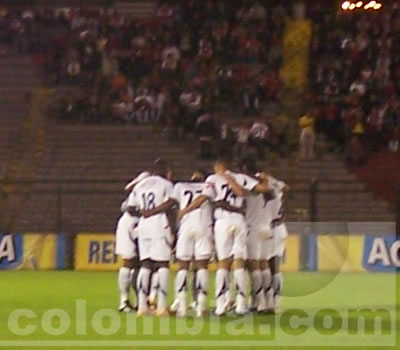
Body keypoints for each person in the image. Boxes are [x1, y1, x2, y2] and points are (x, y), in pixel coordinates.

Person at [178, 158, 270, 315]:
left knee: (223, 263)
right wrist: (265, 178)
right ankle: (241, 304)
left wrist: (186, 210)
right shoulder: (241, 177)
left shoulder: (213, 179)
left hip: (222, 221)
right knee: (239, 262)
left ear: (217, 167)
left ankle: (221, 304)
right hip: (239, 220)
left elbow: (203, 198)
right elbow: (261, 189)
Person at [128, 159, 175, 316]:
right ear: (165, 171)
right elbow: (171, 202)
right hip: (159, 223)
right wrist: (154, 211)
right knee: (162, 264)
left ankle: (142, 306)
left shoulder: (141, 184)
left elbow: (130, 207)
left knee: (145, 264)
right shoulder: (166, 184)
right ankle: (161, 307)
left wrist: (143, 212)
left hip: (143, 225)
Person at [169, 169, 213, 317]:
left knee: (182, 266)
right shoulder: (209, 186)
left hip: (185, 226)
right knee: (202, 267)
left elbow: (172, 204)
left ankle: (181, 306)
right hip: (203, 226)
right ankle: (201, 306)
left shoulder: (180, 186)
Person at [115, 171, 150, 312]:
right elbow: (130, 208)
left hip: (137, 224)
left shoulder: (140, 190)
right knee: (129, 262)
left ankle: (139, 301)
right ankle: (123, 301)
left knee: (139, 264)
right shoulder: (141, 190)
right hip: (131, 224)